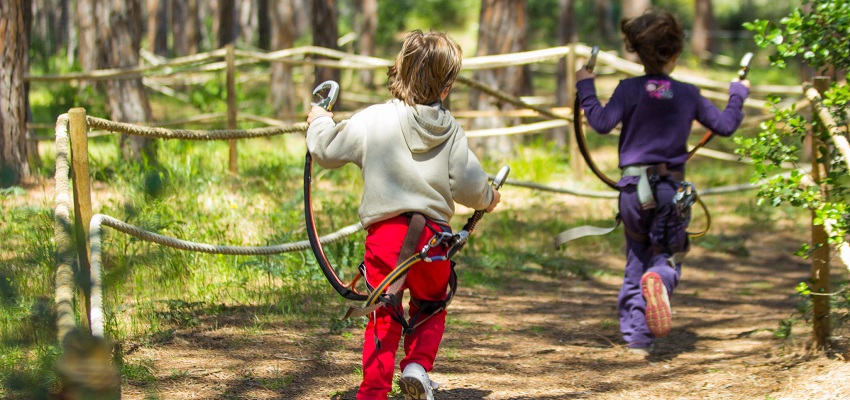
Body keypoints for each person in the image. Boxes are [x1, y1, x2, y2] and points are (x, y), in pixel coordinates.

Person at [306, 30, 501, 400]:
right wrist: (489, 198)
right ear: (445, 89)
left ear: (400, 70)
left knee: (385, 310)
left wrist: (318, 118)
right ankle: (416, 367)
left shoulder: (374, 119)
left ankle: (374, 391)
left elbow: (325, 150)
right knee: (430, 304)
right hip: (434, 241)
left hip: (386, 239)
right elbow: (471, 186)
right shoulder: (451, 131)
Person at [574, 10, 750, 355]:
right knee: (667, 254)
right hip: (671, 191)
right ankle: (662, 279)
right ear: (676, 53)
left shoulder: (629, 89)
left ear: (637, 52)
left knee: (636, 256)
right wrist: (738, 93)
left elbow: (599, 122)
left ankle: (638, 340)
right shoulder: (688, 93)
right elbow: (726, 125)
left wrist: (585, 84)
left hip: (633, 192)